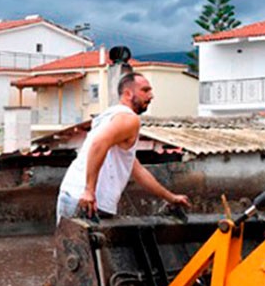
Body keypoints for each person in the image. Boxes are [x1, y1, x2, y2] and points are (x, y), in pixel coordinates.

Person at [56, 72, 191, 223]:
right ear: (128, 93)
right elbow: (98, 144)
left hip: (73, 194)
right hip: (86, 201)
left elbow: (137, 170)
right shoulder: (129, 119)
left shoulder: (110, 116)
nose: (151, 96)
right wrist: (88, 190)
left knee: (67, 245)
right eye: (145, 90)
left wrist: (171, 197)